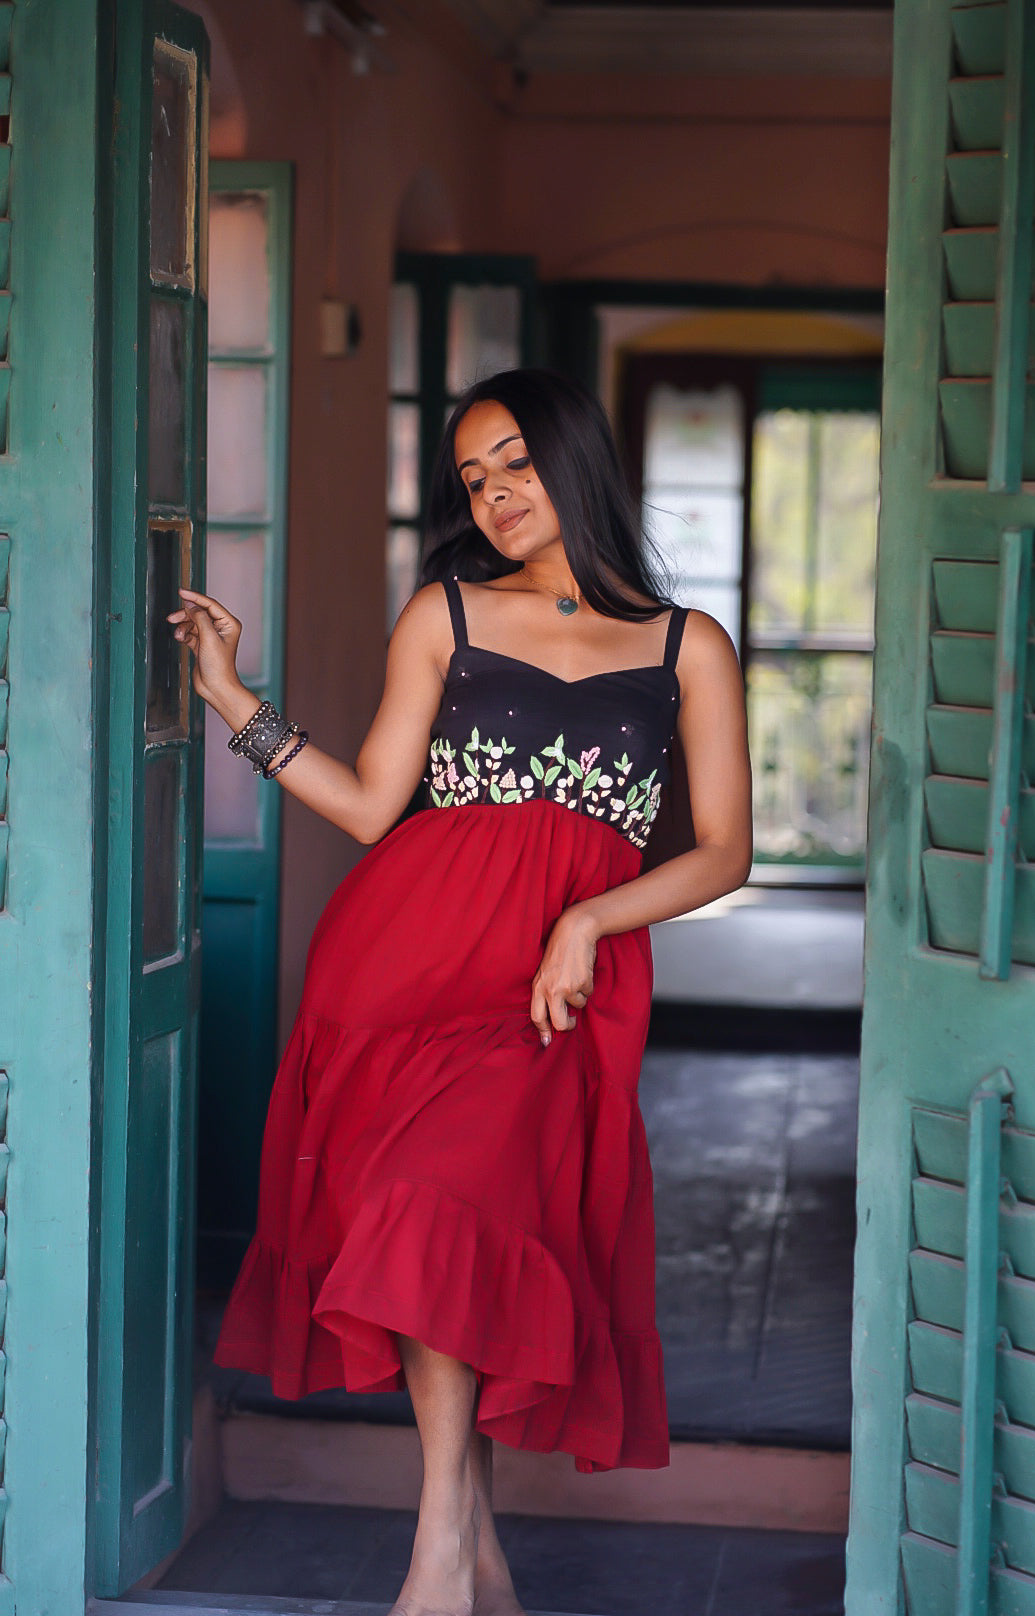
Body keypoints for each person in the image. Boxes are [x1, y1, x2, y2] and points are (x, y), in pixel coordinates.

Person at [169, 367, 752, 1616]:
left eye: (515, 463)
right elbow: (371, 805)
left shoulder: (686, 645)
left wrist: (588, 918)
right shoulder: (446, 614)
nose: (494, 494)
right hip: (406, 962)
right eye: (474, 478)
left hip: (556, 989)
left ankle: (452, 1549)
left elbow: (724, 851)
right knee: (428, 1217)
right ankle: (456, 1548)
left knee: (447, 1204)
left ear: (573, 455)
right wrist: (233, 700)